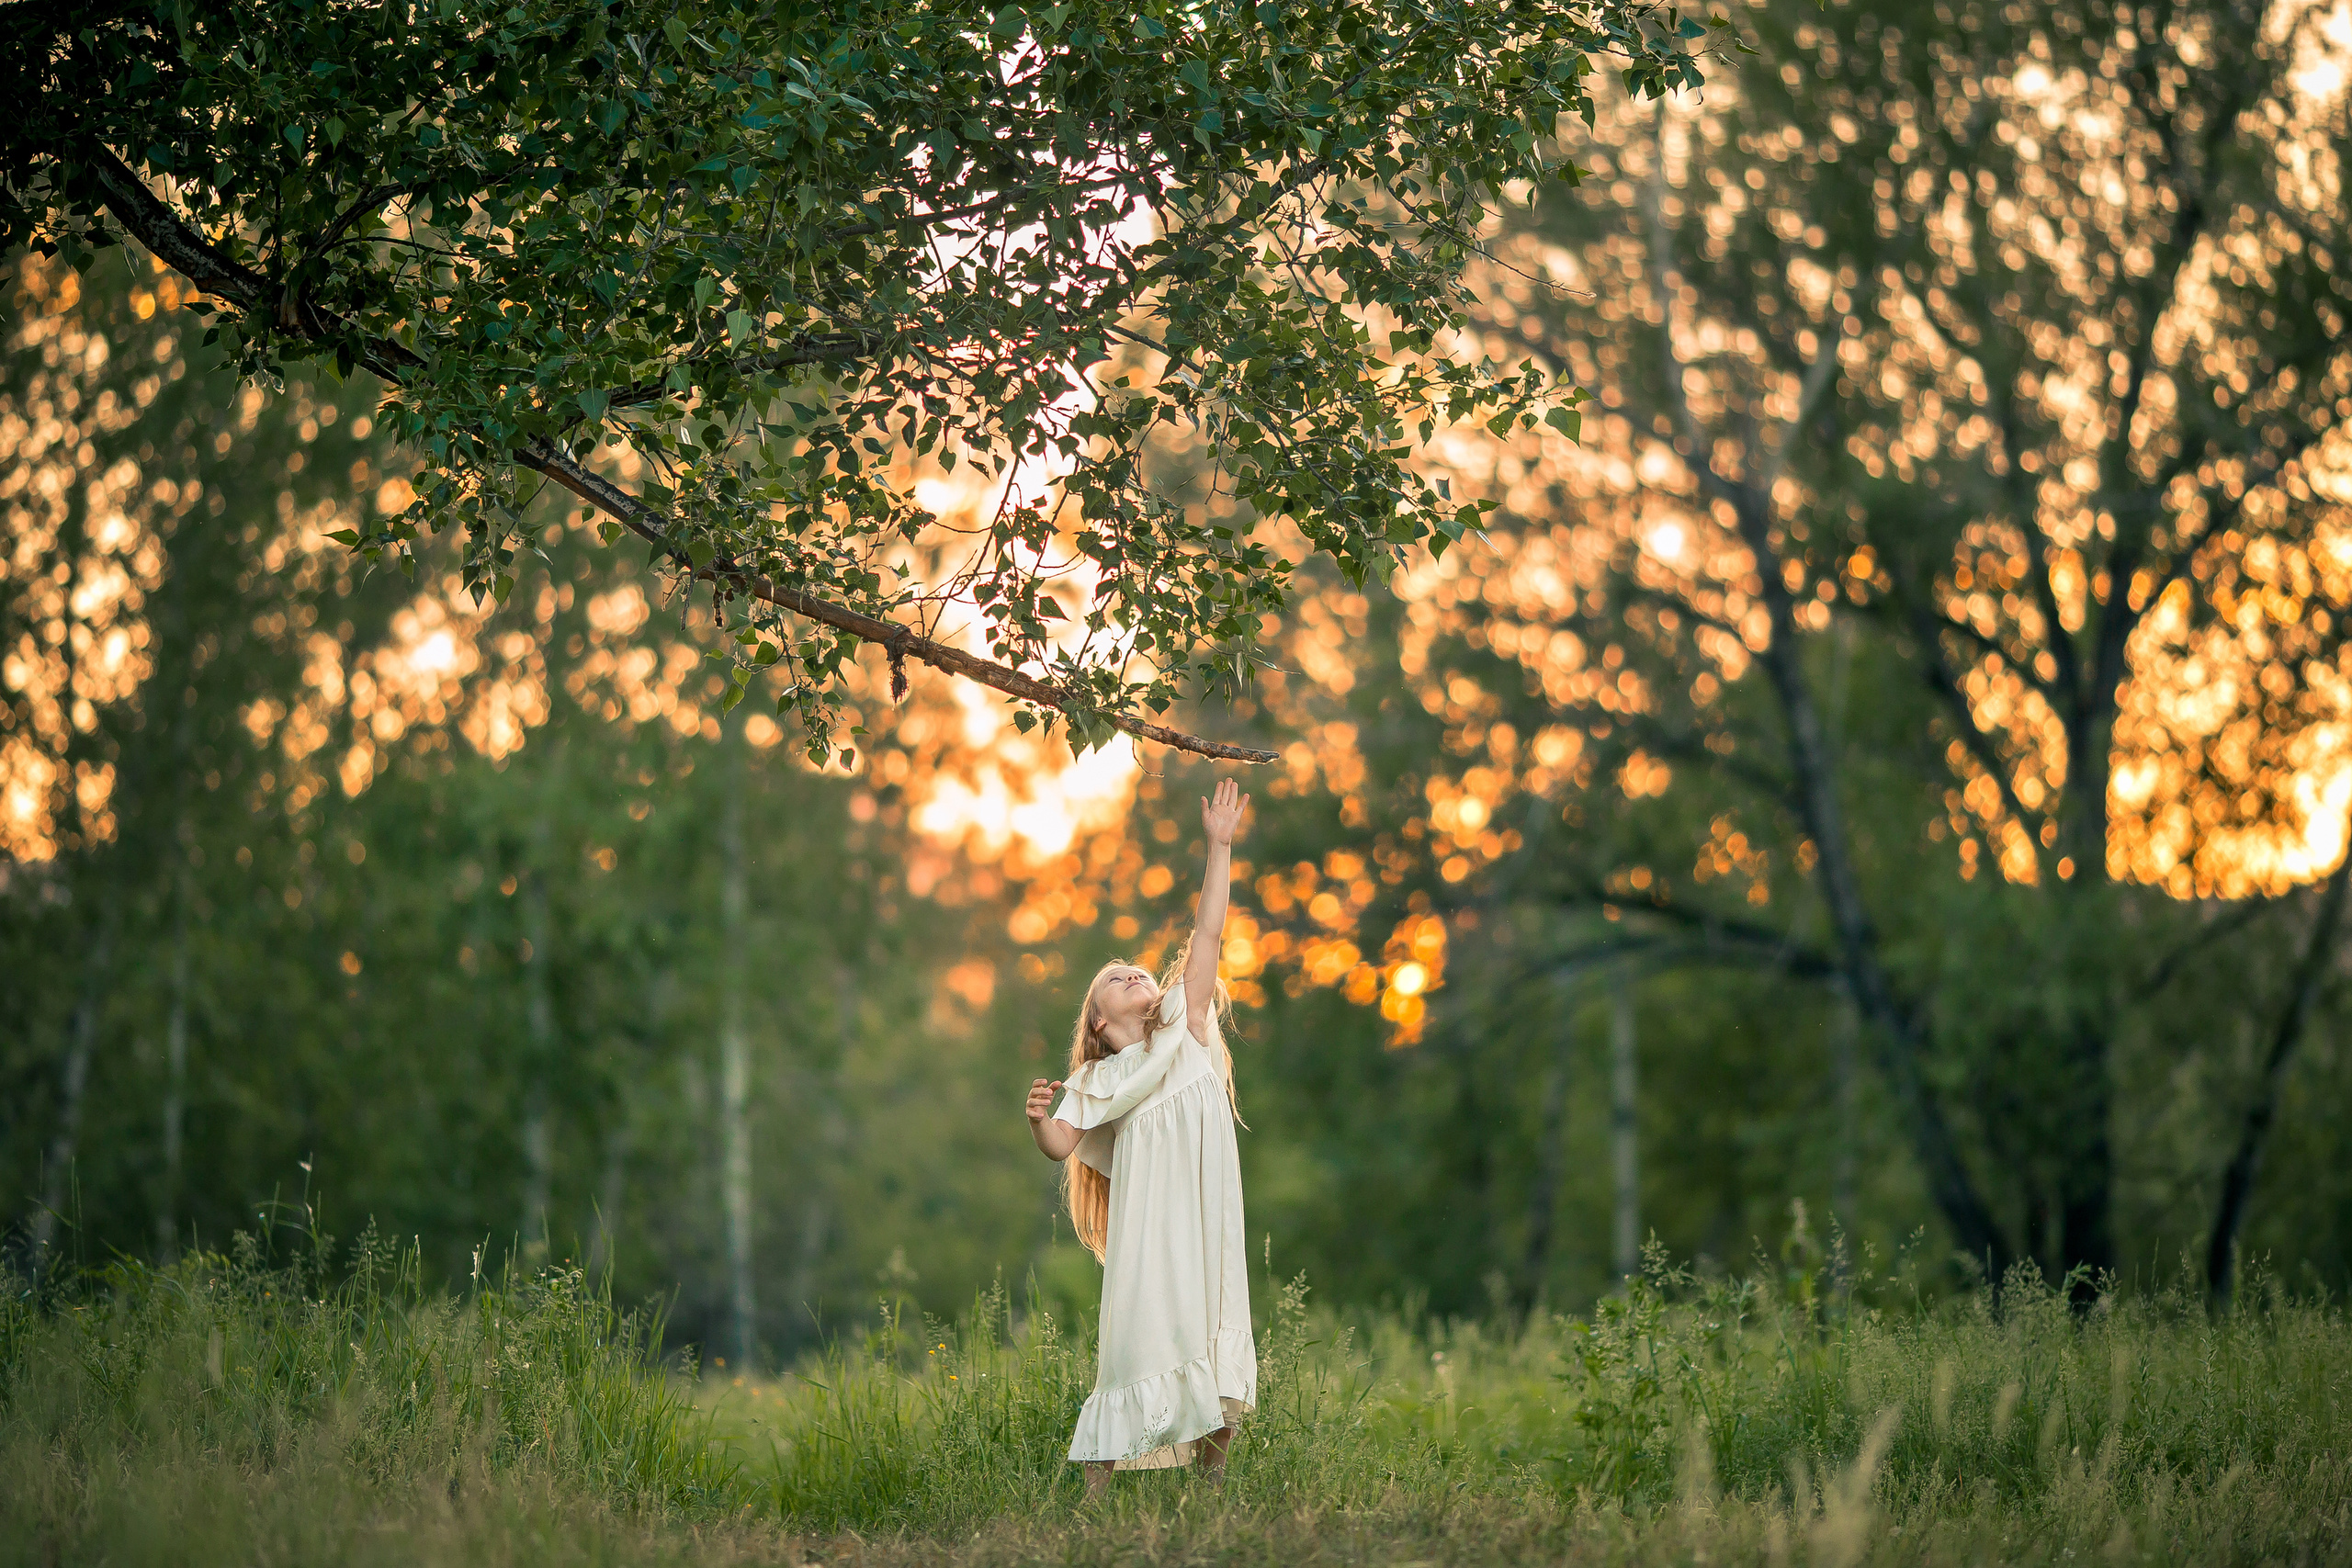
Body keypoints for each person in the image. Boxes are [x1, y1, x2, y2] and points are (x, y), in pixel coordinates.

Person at [1023, 777, 1256, 1497]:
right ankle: (1094, 1499)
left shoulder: (1183, 1028)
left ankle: (1213, 1491)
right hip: (1151, 1236)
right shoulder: (1101, 1081)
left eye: (1134, 970)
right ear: (1097, 1022)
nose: (1131, 971)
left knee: (1215, 1330)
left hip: (1205, 1219)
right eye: (1113, 979)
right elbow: (1064, 1144)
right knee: (1136, 1344)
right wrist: (1038, 1120)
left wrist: (1218, 846)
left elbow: (1209, 931)